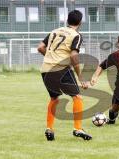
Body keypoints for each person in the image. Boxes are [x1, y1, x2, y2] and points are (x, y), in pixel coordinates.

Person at [37, 10, 92, 141]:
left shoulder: (54, 31)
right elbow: (73, 55)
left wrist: (51, 58)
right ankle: (77, 128)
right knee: (77, 97)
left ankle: (49, 128)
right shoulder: (76, 35)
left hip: (45, 69)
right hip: (61, 69)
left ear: (67, 20)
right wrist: (80, 77)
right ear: (80, 22)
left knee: (54, 99)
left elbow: (40, 47)